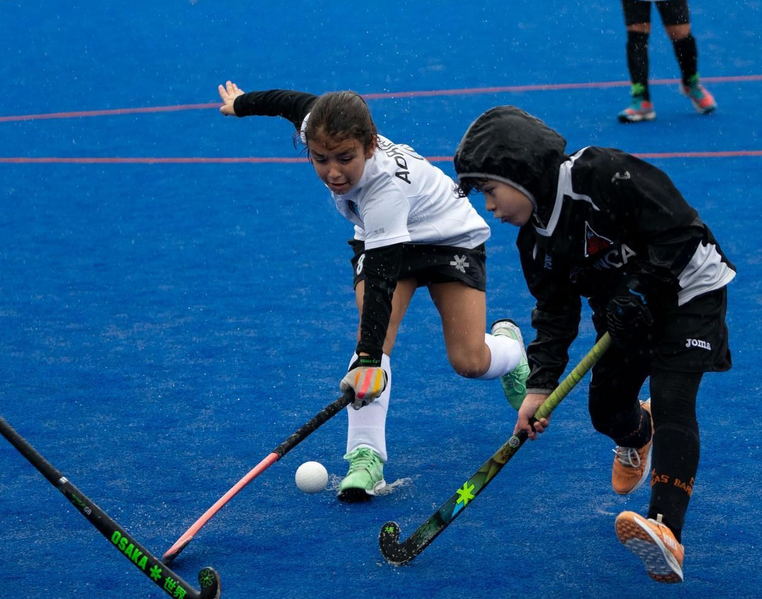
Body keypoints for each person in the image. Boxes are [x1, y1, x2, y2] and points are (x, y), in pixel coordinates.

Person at [452, 106, 735, 584]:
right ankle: (636, 435)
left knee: (674, 399)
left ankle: (665, 529)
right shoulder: (534, 245)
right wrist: (538, 389)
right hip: (622, 316)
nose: (490, 207)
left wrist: (642, 286)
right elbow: (556, 317)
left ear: (519, 171)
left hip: (689, 288)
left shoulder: (600, 172)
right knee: (606, 412)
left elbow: (680, 228)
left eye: (490, 190)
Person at [215, 84, 529, 501]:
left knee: (469, 362)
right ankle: (365, 456)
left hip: (448, 237)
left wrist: (367, 361)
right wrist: (242, 105)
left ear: (369, 144)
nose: (333, 172)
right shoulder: (320, 122)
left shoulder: (384, 190)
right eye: (320, 158)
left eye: (346, 158)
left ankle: (511, 351)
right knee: (375, 337)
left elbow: (381, 280)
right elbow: (290, 103)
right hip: (382, 238)